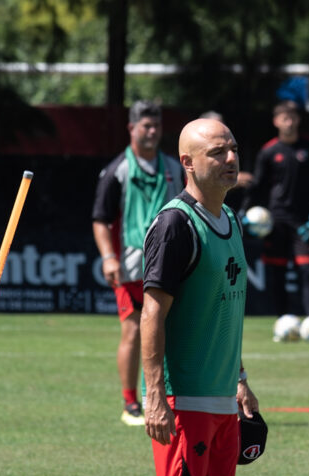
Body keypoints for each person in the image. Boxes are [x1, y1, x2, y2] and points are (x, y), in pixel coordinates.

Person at [140, 117, 258, 476]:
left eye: (233, 148)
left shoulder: (230, 219)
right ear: (188, 163)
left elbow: (225, 309)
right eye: (217, 152)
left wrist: (240, 379)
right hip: (183, 397)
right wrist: (155, 394)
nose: (230, 158)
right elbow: (152, 316)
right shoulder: (175, 224)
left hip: (220, 396)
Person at [92, 100, 184, 426]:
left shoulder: (174, 168)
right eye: (146, 125)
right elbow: (101, 219)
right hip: (132, 263)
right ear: (131, 129)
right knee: (133, 330)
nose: (152, 131)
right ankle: (130, 403)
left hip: (170, 261)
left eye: (156, 125)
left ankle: (172, 396)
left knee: (173, 329)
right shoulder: (118, 169)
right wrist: (108, 258)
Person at [242, 100, 309, 315]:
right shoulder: (268, 152)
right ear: (276, 122)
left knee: (308, 270)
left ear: (298, 120)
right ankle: (283, 320)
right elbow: (258, 186)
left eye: (293, 118)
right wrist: (245, 211)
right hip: (276, 220)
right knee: (277, 271)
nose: (289, 123)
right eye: (284, 119)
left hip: (303, 220)